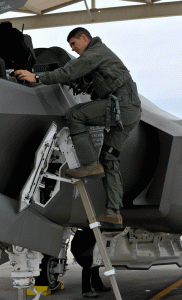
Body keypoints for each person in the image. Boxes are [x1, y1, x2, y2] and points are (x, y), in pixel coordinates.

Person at [14, 27, 141, 229]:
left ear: (84, 37)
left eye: (74, 44)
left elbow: (72, 70)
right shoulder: (98, 55)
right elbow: (83, 76)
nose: (73, 49)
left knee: (75, 114)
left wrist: (37, 78)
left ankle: (90, 163)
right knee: (109, 159)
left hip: (120, 107)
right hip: (130, 111)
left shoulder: (95, 52)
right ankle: (113, 212)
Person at [71, 228, 111, 298]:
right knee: (88, 265)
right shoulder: (91, 228)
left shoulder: (93, 228)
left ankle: (97, 285)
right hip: (81, 246)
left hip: (84, 245)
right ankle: (86, 291)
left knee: (94, 264)